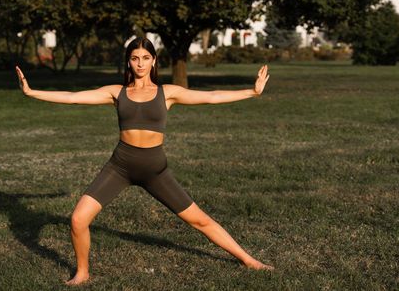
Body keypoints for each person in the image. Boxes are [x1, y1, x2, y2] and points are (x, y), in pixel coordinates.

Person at [15, 37, 273, 286]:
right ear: (128, 62)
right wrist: (31, 92)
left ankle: (249, 260)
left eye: (145, 58)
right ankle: (82, 273)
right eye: (135, 58)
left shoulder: (167, 93)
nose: (140, 63)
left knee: (200, 221)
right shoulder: (116, 93)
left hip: (155, 170)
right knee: (78, 219)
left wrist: (252, 91)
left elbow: (211, 96)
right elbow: (72, 97)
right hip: (120, 166)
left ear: (154, 61)